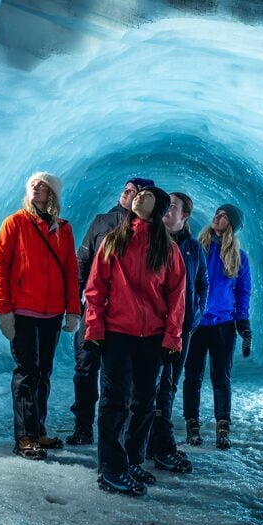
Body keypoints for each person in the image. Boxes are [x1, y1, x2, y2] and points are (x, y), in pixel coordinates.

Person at [83, 186, 186, 495]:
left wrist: (172, 338)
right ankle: (111, 468)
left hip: (152, 338)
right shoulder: (114, 240)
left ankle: (130, 460)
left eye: (148, 196)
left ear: (157, 208)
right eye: (138, 194)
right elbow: (95, 288)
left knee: (143, 402)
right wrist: (94, 329)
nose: (140, 196)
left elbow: (177, 297)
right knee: (115, 401)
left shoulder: (167, 250)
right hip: (117, 335)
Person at [0, 172, 82, 460]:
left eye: (43, 185)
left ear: (52, 194)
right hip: (23, 311)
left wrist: (73, 310)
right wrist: (4, 310)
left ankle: (38, 429)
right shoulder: (14, 223)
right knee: (26, 373)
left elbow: (70, 270)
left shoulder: (63, 229)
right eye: (33, 184)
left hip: (52, 312)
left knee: (43, 373)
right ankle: (24, 437)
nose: (36, 187)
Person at [67, 177, 154, 445]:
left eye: (135, 191)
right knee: (85, 368)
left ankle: (120, 432)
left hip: (125, 318)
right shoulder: (102, 221)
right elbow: (82, 261)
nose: (127, 193)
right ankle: (83, 426)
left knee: (119, 376)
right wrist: (75, 307)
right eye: (126, 189)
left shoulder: (150, 229)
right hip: (94, 311)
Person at [182, 203, 252, 450]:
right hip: (196, 323)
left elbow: (243, 292)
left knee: (221, 378)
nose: (217, 217)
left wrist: (243, 322)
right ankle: (193, 426)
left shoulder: (239, 258)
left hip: (223, 325)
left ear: (231, 225)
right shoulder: (196, 249)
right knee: (192, 376)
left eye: (223, 216)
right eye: (217, 213)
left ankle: (223, 427)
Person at [147, 192, 208, 473]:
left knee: (168, 384)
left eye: (173, 208)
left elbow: (202, 284)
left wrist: (194, 316)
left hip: (181, 329)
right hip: (152, 327)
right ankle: (160, 445)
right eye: (166, 206)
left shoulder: (194, 249)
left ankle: (155, 443)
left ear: (185, 216)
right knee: (151, 386)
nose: (167, 212)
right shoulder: (150, 241)